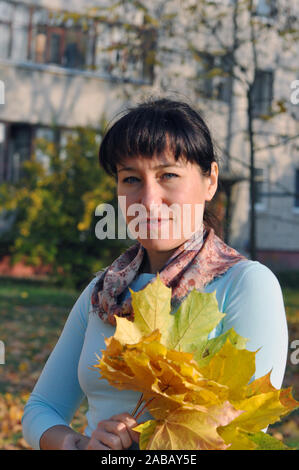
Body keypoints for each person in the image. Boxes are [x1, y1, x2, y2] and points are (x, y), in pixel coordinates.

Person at [22, 98, 288, 450]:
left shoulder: (245, 284)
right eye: (130, 178)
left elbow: (240, 437)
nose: (148, 199)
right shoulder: (104, 292)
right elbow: (42, 409)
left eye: (168, 175)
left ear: (210, 181)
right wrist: (79, 445)